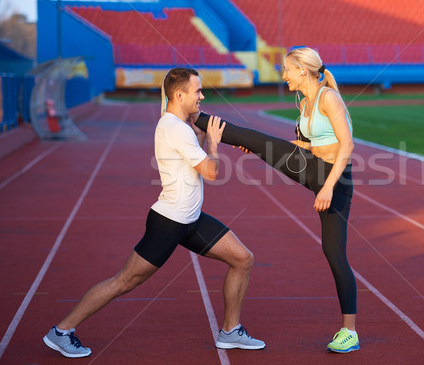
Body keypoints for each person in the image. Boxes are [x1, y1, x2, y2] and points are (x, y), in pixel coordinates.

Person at [43, 67, 265, 358]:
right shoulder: (174, 128)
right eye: (197, 91)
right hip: (169, 223)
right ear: (179, 94)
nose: (202, 95)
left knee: (242, 258)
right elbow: (211, 171)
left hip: (191, 220)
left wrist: (207, 138)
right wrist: (212, 143)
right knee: (124, 281)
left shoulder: (180, 127)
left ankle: (230, 331)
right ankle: (61, 331)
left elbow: (193, 155)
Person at [193, 47, 359, 353]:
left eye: (285, 69)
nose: (282, 75)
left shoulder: (328, 97)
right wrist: (261, 149)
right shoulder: (306, 101)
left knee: (334, 254)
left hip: (335, 180)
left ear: (301, 70)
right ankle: (196, 117)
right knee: (256, 140)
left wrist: (328, 189)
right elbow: (311, 144)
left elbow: (346, 147)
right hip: (311, 166)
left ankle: (349, 331)